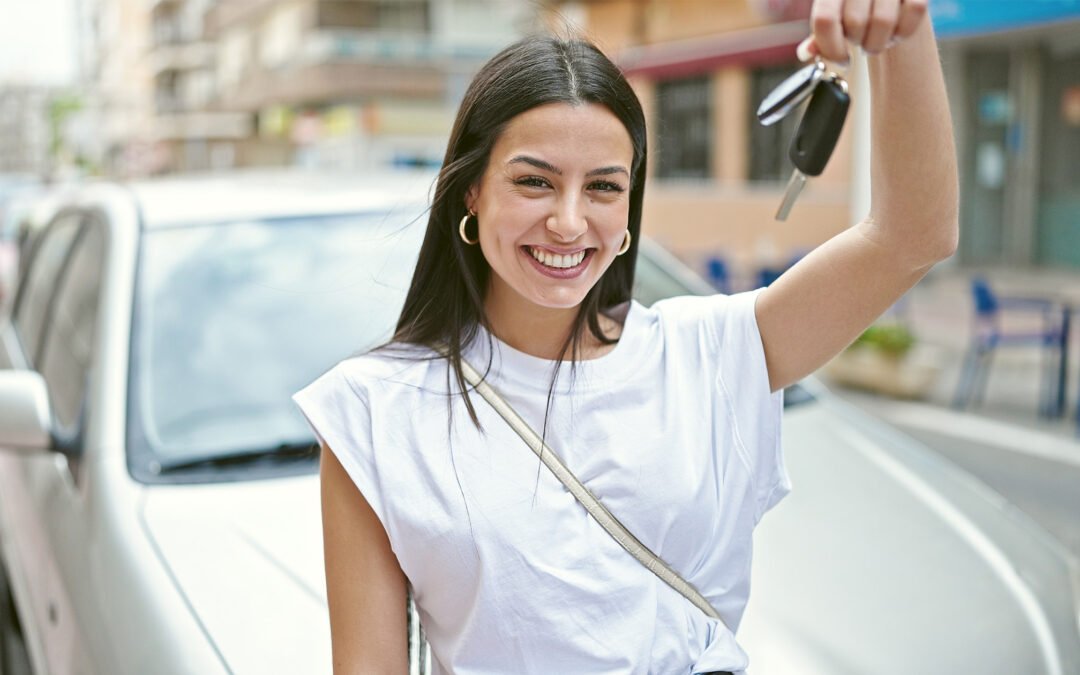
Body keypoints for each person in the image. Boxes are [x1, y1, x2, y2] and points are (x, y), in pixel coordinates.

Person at [293, 0, 957, 672]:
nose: (569, 221)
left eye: (604, 187)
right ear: (472, 191)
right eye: (534, 181)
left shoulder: (708, 354)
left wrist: (904, 28)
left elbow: (912, 237)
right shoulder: (373, 412)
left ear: (630, 205)